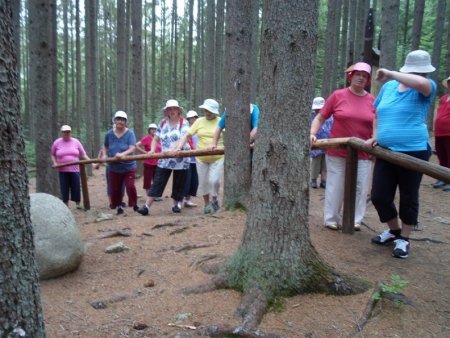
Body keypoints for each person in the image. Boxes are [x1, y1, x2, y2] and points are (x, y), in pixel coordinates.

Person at [368, 50, 436, 259]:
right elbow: (377, 114)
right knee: (380, 195)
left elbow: (422, 85)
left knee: (408, 195)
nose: (419, 75)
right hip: (386, 151)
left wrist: (391, 73)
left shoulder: (426, 86)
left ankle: (404, 239)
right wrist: (375, 135)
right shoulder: (388, 88)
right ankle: (394, 231)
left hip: (414, 150)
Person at [310, 62, 375, 231]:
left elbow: (378, 123)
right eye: (357, 74)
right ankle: (331, 218)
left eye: (365, 75)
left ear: (368, 80)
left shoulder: (372, 101)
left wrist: (376, 138)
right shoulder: (338, 96)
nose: (361, 77)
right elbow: (320, 117)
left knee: (360, 187)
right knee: (335, 184)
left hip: (363, 152)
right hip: (337, 150)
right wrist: (313, 132)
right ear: (350, 76)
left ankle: (355, 219)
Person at [137, 99, 191, 215]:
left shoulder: (183, 122)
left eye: (174, 108)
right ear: (166, 111)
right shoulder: (162, 123)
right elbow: (156, 139)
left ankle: (175, 205)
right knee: (158, 180)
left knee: (179, 181)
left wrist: (177, 148)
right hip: (165, 156)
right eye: (169, 109)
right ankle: (146, 206)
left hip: (180, 156)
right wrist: (152, 150)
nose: (172, 111)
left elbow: (185, 137)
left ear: (178, 110)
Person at [176, 99, 224, 214]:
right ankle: (207, 204)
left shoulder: (221, 121)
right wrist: (179, 147)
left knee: (214, 181)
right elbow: (187, 135)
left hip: (217, 157)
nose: (207, 112)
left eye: (209, 111)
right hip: (201, 157)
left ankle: (214, 200)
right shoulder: (199, 121)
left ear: (215, 112)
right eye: (205, 110)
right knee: (203, 182)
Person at [102, 110, 138, 215]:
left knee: (130, 186)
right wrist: (104, 154)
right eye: (118, 119)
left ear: (126, 122)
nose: (120, 122)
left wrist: (123, 154)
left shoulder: (130, 133)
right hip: (114, 167)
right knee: (115, 188)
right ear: (114, 120)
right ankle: (118, 206)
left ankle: (134, 204)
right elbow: (105, 146)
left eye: (123, 120)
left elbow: (132, 148)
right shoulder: (109, 134)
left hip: (128, 166)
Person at [51, 125, 91, 209]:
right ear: (61, 133)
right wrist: (55, 162)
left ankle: (78, 204)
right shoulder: (57, 142)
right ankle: (65, 205)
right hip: (62, 170)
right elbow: (52, 154)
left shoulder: (76, 142)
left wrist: (91, 162)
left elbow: (83, 154)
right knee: (64, 188)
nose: (66, 133)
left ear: (71, 132)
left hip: (75, 169)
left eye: (68, 131)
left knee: (76, 186)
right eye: (65, 132)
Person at [309, 97, 333, 189]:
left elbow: (332, 127)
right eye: (316, 108)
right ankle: (313, 180)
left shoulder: (330, 117)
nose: (318, 110)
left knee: (325, 164)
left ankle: (324, 180)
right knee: (316, 162)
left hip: (327, 143)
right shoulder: (311, 116)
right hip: (315, 143)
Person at [433, 75, 450, 191]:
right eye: (449, 82)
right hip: (439, 132)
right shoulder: (443, 98)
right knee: (441, 156)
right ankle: (442, 177)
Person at [136, 123, 161, 195]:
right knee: (148, 179)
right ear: (149, 130)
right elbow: (136, 145)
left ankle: (155, 194)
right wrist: (144, 152)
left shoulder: (159, 138)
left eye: (155, 129)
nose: (153, 130)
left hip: (158, 163)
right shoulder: (146, 138)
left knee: (157, 179)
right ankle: (148, 194)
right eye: (152, 129)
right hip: (148, 163)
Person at [182, 110, 200, 207]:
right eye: (190, 118)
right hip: (187, 160)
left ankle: (188, 200)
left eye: (194, 118)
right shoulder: (187, 131)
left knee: (194, 181)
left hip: (197, 160)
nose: (192, 120)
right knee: (186, 180)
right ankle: (180, 200)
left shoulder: (200, 130)